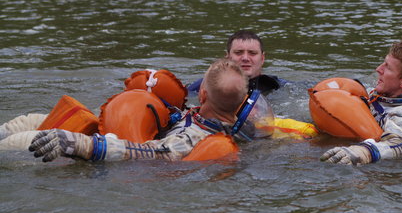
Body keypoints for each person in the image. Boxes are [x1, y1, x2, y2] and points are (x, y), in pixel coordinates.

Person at [29, 59, 261, 162]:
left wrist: (82, 144)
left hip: (115, 161)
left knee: (29, 134)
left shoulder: (193, 139)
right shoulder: (248, 127)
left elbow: (148, 153)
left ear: (203, 94)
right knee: (45, 119)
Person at [321, 38, 402, 165]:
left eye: (388, 67)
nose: (378, 69)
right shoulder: (380, 96)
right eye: (383, 63)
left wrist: (365, 152)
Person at [187, 30, 285, 96]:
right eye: (238, 53)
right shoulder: (205, 86)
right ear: (228, 57)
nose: (245, 58)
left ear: (262, 58)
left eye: (252, 53)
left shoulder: (278, 86)